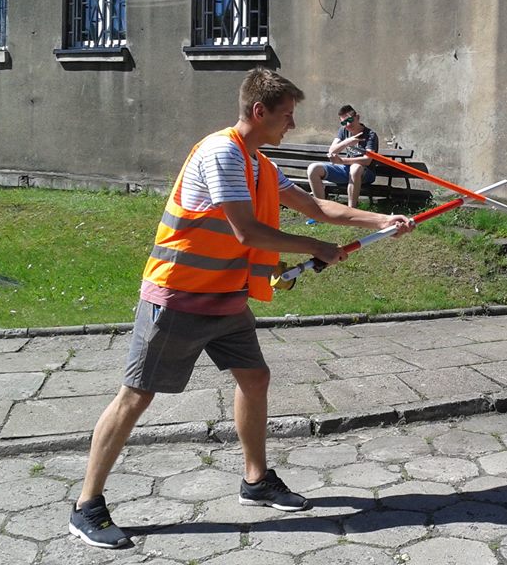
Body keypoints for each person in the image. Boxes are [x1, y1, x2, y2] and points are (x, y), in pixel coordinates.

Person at [68, 68, 414, 549]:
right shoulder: (222, 153)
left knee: (254, 378)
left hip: (226, 298)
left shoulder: (260, 165)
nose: (292, 124)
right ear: (259, 111)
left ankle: (256, 481)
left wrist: (382, 220)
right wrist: (316, 247)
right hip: (180, 296)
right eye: (286, 115)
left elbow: (317, 207)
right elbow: (246, 231)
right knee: (136, 396)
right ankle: (86, 506)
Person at [307, 104, 379, 208]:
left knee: (355, 168)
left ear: (357, 117)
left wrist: (341, 161)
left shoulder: (370, 135)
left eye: (350, 120)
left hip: (366, 173)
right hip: (346, 170)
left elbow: (367, 160)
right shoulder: (343, 130)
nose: (348, 124)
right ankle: (321, 209)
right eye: (344, 122)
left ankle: (351, 210)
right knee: (313, 168)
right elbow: (331, 150)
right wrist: (347, 142)